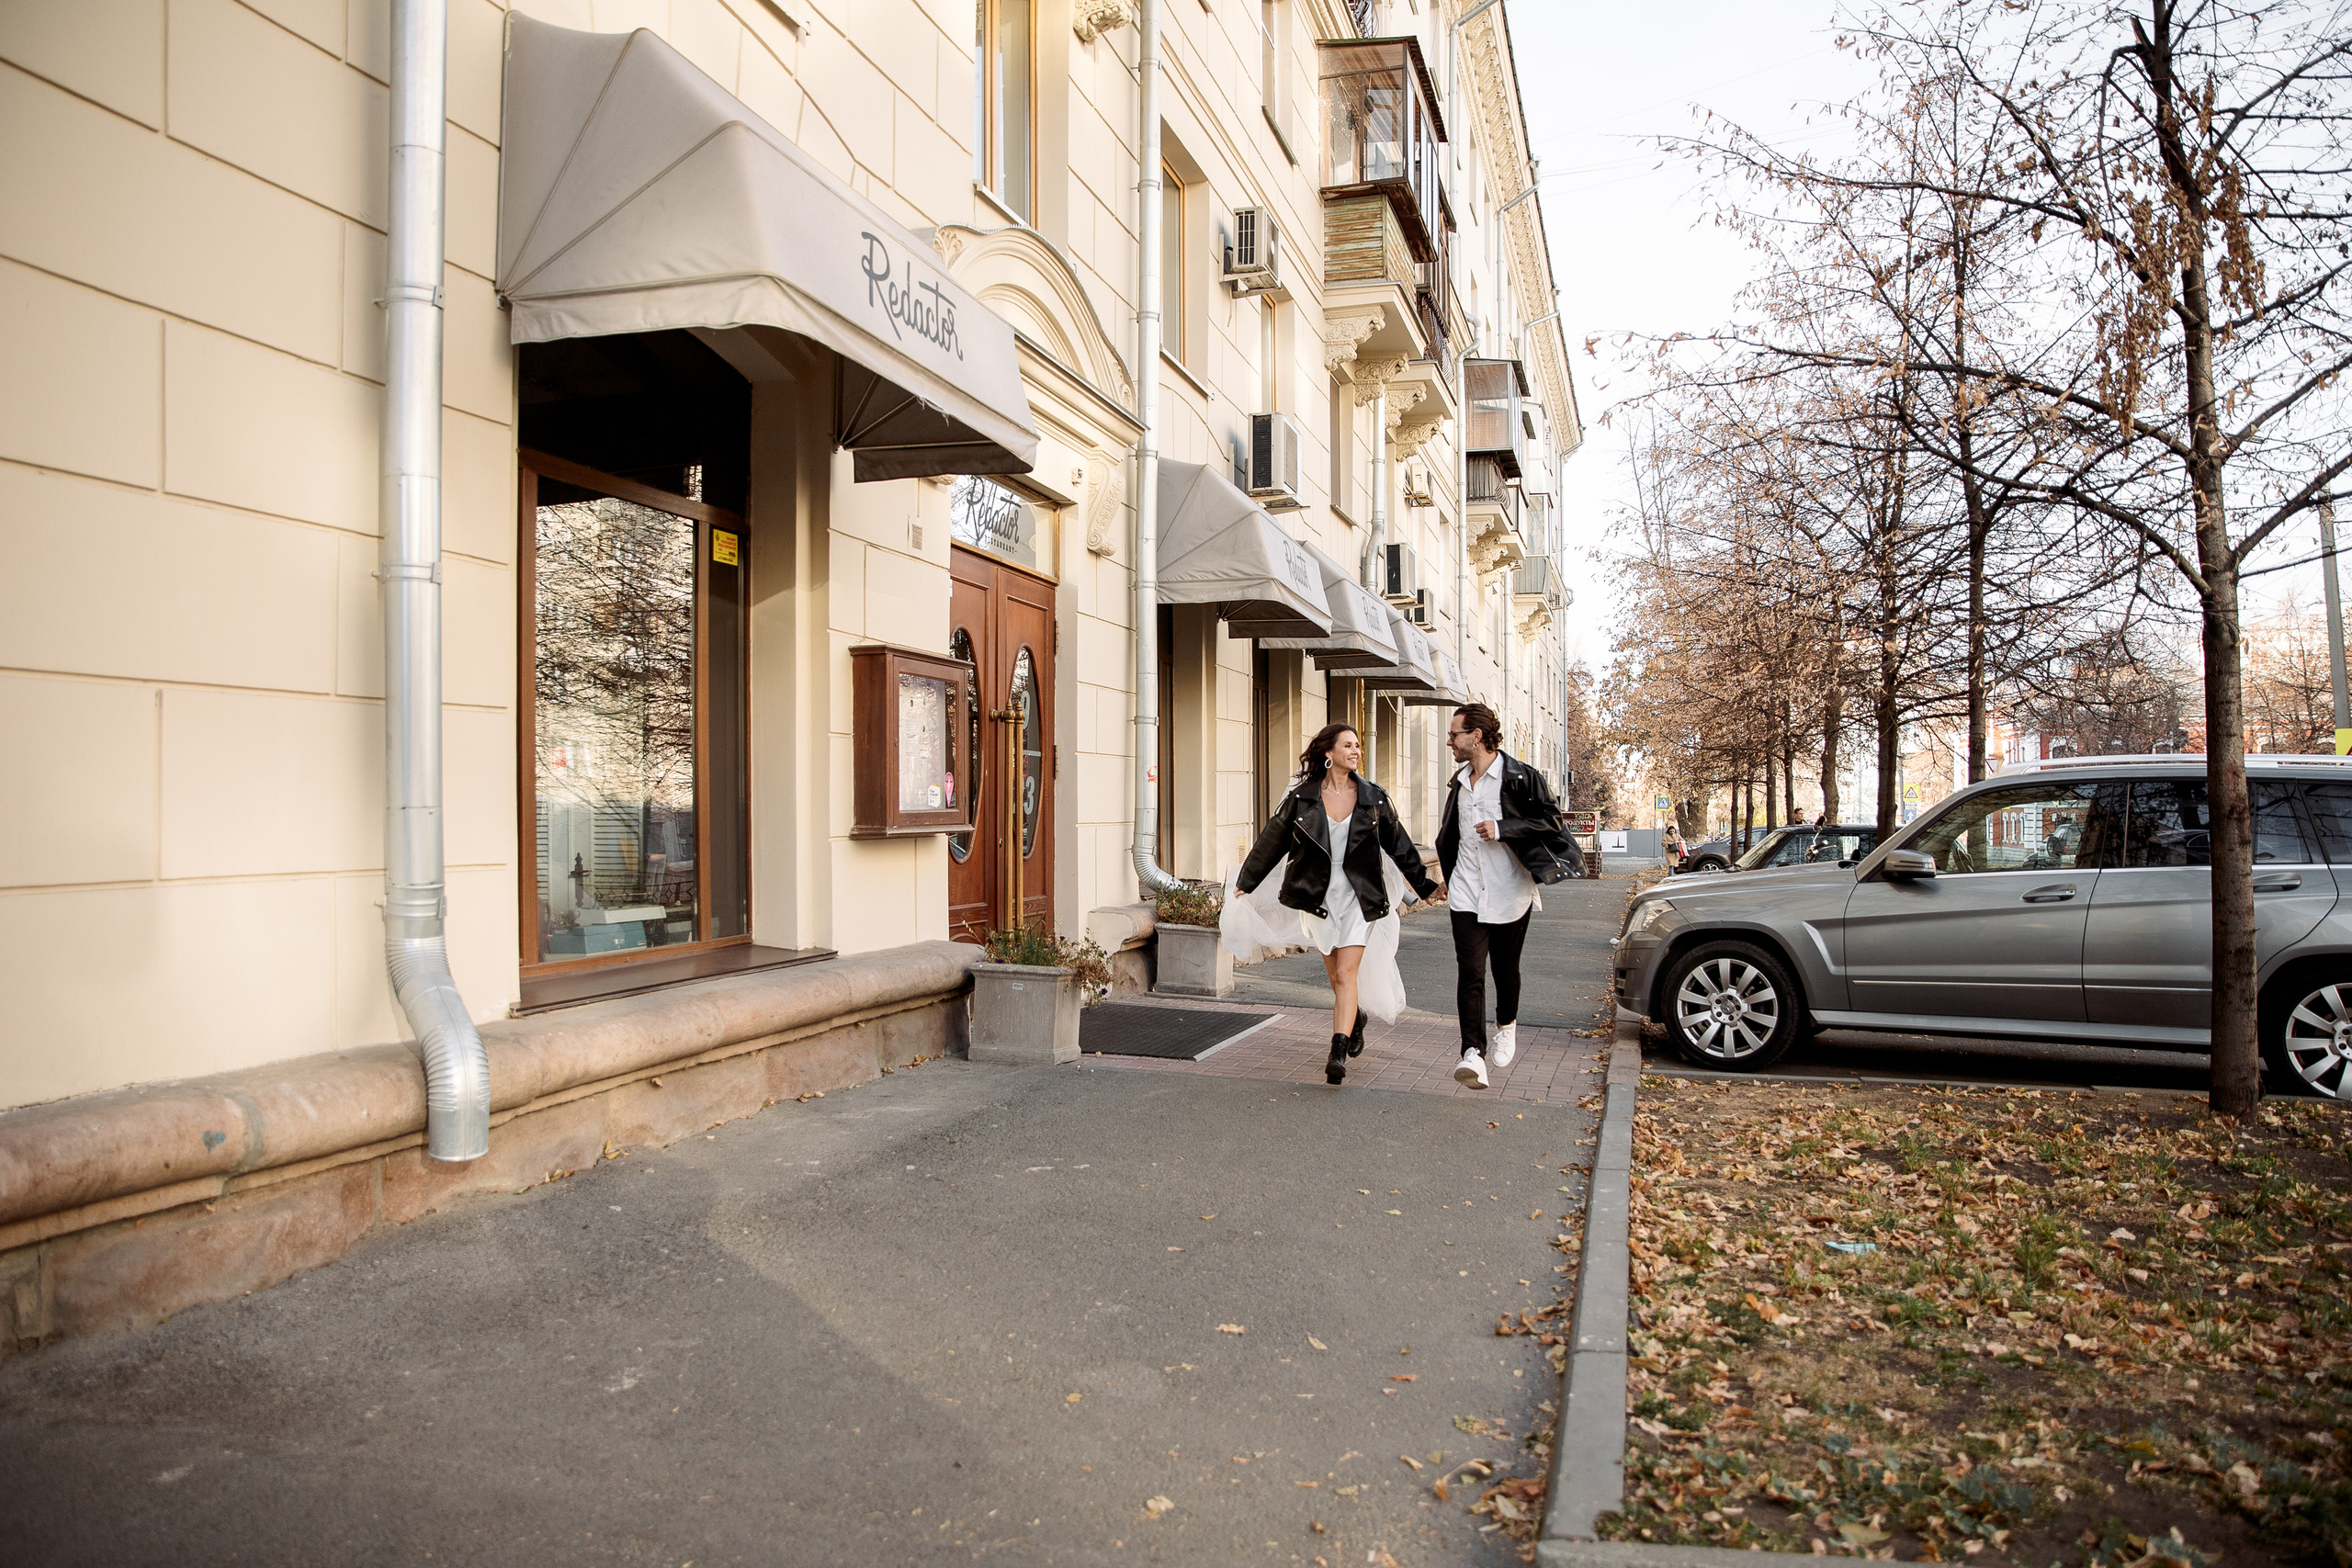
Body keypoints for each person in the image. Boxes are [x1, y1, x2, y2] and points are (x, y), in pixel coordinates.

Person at [1228, 723, 1443, 1086]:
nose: (1356, 751)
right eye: (1348, 745)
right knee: (1335, 975)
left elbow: (1400, 846)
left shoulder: (1373, 797)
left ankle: (1337, 1051)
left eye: (1358, 745)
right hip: (1317, 896)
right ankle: (1355, 1016)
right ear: (1328, 753)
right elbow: (1272, 840)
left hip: (1362, 896)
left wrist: (1426, 886)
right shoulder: (1303, 799)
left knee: (1346, 973)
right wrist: (1245, 882)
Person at [1434, 703, 1578, 1089]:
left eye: (1455, 735)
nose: (1450, 741)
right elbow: (1452, 836)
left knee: (1505, 969)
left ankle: (1507, 1026)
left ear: (1476, 736)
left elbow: (1551, 821)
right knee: (1471, 972)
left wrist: (1503, 827)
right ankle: (1472, 1054)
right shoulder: (1459, 782)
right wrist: (1448, 878)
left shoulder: (1520, 777)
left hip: (1510, 889)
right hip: (1466, 892)